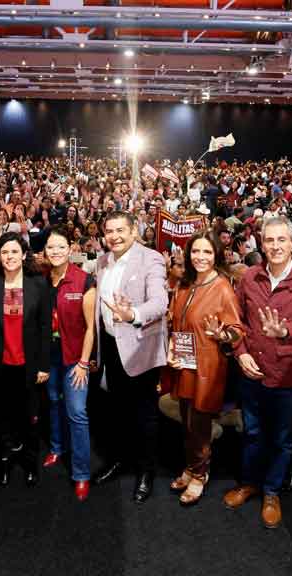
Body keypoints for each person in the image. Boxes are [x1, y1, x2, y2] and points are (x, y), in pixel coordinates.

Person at [225, 216, 292, 528]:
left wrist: (285, 331)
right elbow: (237, 321)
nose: (276, 246)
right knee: (252, 433)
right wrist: (239, 354)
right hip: (252, 373)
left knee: (281, 439)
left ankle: (271, 491)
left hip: (288, 378)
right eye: (269, 240)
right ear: (261, 243)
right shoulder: (250, 276)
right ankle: (249, 483)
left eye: (282, 240)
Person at [90, 211, 169, 504]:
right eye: (109, 231)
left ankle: (146, 471)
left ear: (134, 230)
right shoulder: (102, 260)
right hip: (111, 346)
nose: (114, 236)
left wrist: (133, 314)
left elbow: (160, 302)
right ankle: (119, 460)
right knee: (118, 411)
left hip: (139, 348)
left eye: (121, 230)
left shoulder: (151, 258)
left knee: (144, 415)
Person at [164, 231, 243, 506]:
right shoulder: (184, 284)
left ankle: (200, 474)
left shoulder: (223, 288)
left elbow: (236, 332)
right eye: (196, 251)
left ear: (216, 256)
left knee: (199, 425)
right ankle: (190, 467)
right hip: (184, 364)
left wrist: (222, 335)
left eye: (207, 252)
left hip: (208, 368)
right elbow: (176, 325)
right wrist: (172, 351)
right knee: (187, 423)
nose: (201, 257)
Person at [0, 232, 51, 487]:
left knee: (29, 417)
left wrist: (43, 365)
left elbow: (44, 328)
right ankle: (4, 463)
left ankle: (30, 464)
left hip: (29, 365)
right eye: (4, 252)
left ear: (24, 254)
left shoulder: (38, 284)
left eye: (14, 251)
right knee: (2, 416)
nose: (9, 257)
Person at [42, 225, 97, 501]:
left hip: (76, 358)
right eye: (50, 247)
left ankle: (81, 474)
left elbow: (91, 328)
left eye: (61, 247)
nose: (55, 252)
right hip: (49, 357)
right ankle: (56, 447)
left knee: (76, 412)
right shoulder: (40, 279)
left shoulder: (84, 280)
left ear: (70, 249)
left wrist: (84, 363)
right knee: (52, 402)